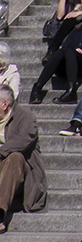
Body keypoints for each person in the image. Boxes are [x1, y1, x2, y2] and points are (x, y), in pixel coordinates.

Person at [29, 7, 82, 104]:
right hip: (67, 65)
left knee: (71, 52)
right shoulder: (76, 32)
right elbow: (65, 48)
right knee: (60, 52)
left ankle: (71, 91)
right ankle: (37, 88)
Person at [0, 85, 46, 231]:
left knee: (15, 157)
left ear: (5, 104)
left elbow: (23, 140)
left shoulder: (26, 117)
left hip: (19, 174)